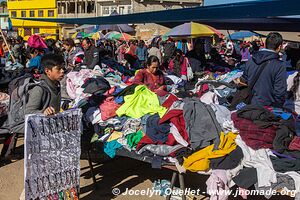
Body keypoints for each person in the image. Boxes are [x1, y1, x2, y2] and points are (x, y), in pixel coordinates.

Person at [241, 32, 287, 107]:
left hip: (249, 104)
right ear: (279, 47)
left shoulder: (251, 60)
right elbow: (280, 92)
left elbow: (244, 80)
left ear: (265, 45)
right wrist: (277, 107)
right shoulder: (279, 65)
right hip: (268, 108)